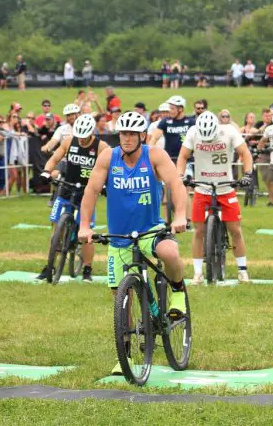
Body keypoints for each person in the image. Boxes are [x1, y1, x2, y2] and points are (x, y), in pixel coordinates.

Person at [77, 111, 189, 374]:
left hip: (150, 229)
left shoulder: (154, 156)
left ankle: (178, 292)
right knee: (121, 296)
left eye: (132, 134)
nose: (126, 139)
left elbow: (175, 183)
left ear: (142, 136)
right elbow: (91, 190)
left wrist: (181, 214)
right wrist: (84, 225)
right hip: (120, 237)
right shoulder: (108, 157)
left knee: (170, 252)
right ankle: (124, 355)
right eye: (123, 133)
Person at [178, 111, 254, 283]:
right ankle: (197, 273)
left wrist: (247, 174)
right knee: (199, 231)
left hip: (226, 187)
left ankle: (242, 270)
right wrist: (180, 175)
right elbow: (183, 156)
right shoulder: (192, 132)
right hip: (202, 187)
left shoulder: (229, 132)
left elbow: (246, 153)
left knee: (235, 230)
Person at [36, 115, 107, 281]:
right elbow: (55, 158)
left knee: (86, 233)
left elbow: (108, 168)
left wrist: (104, 185)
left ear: (91, 133)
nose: (81, 140)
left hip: (87, 191)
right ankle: (50, 266)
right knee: (56, 230)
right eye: (79, 136)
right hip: (66, 187)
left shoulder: (101, 147)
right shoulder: (69, 141)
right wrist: (47, 171)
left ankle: (87, 268)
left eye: (84, 137)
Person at [148, 96, 195, 162]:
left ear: (180, 109)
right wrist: (151, 153)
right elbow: (153, 139)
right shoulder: (165, 122)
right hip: (169, 159)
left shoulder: (191, 122)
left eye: (172, 109)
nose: (170, 111)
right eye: (170, 108)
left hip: (187, 160)